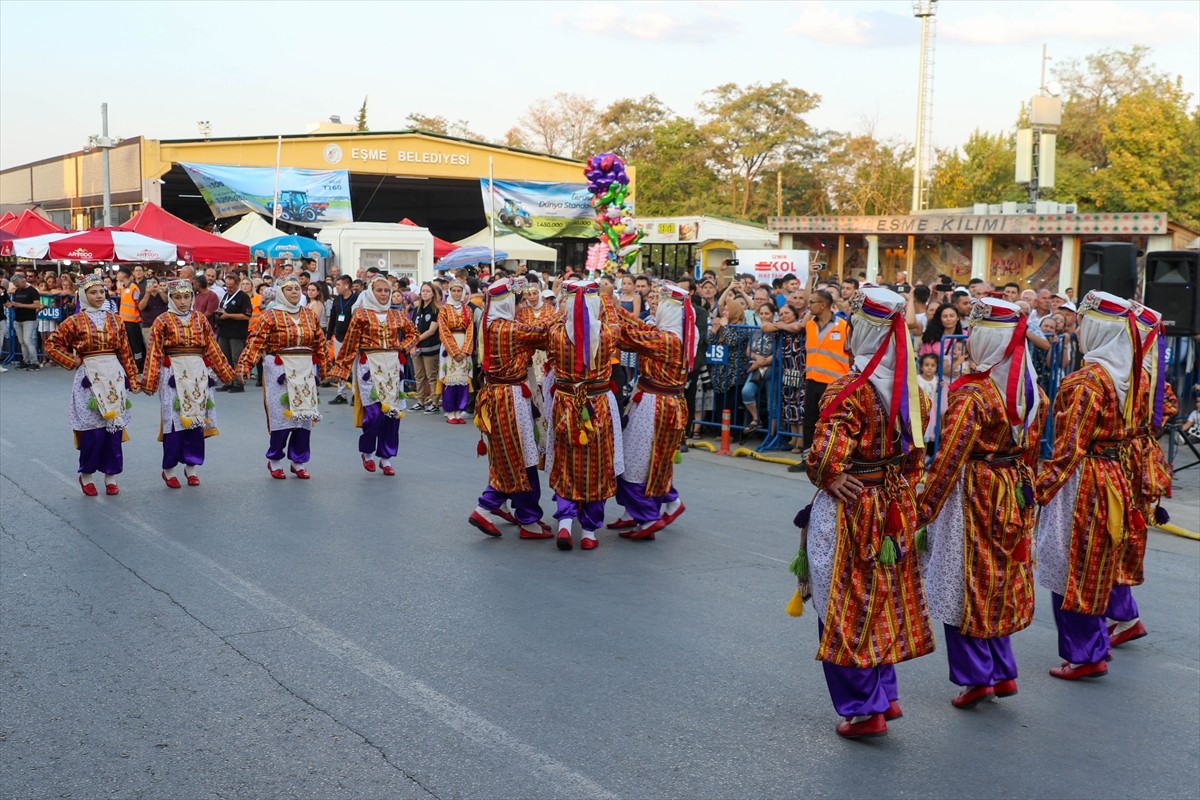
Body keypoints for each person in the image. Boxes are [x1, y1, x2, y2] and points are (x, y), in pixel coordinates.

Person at [802, 286, 933, 739]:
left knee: (842, 601)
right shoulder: (914, 391)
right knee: (880, 598)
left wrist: (826, 474)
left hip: (854, 505)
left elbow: (825, 457)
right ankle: (885, 694)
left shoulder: (849, 391)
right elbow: (917, 458)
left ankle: (864, 708)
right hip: (894, 503)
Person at [918, 298, 1047, 709]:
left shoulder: (973, 394)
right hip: (1013, 487)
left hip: (974, 490)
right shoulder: (1032, 391)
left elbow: (948, 458)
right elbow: (1032, 450)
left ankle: (978, 677)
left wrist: (923, 509)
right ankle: (1002, 671)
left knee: (965, 581)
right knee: (997, 580)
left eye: (974, 332)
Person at [1036, 291, 1139, 680]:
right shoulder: (1125, 375)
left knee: (1070, 566)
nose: (1077, 331)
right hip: (1111, 473)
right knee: (1094, 564)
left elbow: (1068, 449)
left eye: (1081, 324)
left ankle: (1085, 654)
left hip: (1083, 480)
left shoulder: (1086, 381)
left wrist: (1039, 490)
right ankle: (1094, 645)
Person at [1106, 303, 1178, 647]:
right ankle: (1122, 614)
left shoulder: (1131, 373)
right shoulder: (1146, 373)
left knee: (1116, 533)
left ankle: (1125, 615)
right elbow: (1169, 406)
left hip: (1125, 457)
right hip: (1140, 453)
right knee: (1123, 531)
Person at [468, 277, 555, 539]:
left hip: (500, 394)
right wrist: (567, 311)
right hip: (510, 397)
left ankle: (519, 511)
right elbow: (543, 333)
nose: (521, 308)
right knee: (521, 457)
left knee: (510, 456)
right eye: (518, 303)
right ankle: (492, 508)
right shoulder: (508, 329)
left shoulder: (493, 324)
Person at [607, 281, 695, 540]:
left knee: (635, 461)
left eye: (662, 305)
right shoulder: (672, 334)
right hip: (656, 401)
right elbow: (640, 327)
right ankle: (642, 510)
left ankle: (648, 516)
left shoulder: (667, 339)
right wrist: (615, 308)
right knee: (647, 460)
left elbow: (627, 337)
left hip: (655, 404)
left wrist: (605, 313)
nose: (656, 307)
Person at [45, 274, 141, 496]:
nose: (99, 296)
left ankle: (111, 475)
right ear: (83, 295)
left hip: (113, 377)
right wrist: (73, 360)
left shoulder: (116, 320)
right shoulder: (74, 321)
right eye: (93, 292)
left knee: (113, 427)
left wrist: (133, 379)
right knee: (92, 431)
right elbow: (52, 344)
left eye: (102, 292)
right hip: (88, 378)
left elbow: (125, 352)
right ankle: (86, 474)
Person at [545, 280, 623, 551]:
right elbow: (614, 321)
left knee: (565, 462)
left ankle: (566, 523)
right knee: (598, 466)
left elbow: (554, 321)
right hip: (597, 403)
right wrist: (604, 299)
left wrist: (566, 304)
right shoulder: (608, 333)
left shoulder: (556, 333)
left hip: (566, 402)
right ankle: (589, 531)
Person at [141, 279, 236, 487]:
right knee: (174, 422)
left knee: (196, 421)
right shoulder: (162, 321)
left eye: (186, 297)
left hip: (197, 373)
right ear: (171, 298)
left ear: (192, 297)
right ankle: (169, 469)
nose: (183, 301)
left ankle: (191, 466)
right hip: (172, 374)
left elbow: (212, 347)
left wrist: (227, 374)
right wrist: (149, 381)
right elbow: (154, 352)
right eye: (177, 297)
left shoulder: (200, 319)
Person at [235, 275, 330, 480]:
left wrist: (327, 368)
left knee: (303, 416)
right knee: (282, 416)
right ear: (280, 293)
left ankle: (298, 461)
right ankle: (275, 460)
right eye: (289, 289)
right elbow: (256, 342)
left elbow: (320, 343)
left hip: (305, 369)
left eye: (297, 288)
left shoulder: (309, 315)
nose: (294, 292)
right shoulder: (270, 316)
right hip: (279, 369)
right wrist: (244, 366)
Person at [328, 274, 419, 476]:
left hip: (393, 367)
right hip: (369, 365)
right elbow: (350, 343)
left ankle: (386, 458)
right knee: (374, 413)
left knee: (392, 414)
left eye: (386, 290)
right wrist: (341, 368)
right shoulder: (361, 315)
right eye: (379, 290)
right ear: (371, 292)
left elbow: (414, 334)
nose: (383, 294)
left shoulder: (397, 315)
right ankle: (367, 451)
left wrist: (402, 347)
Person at [801, 290, 850, 451]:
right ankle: (808, 457)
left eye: (812, 302)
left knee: (831, 423)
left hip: (833, 384)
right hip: (812, 380)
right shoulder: (810, 325)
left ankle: (829, 456)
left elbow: (852, 355)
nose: (809, 306)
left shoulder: (843, 326)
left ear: (823, 305)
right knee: (809, 421)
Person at [437, 280, 475, 424]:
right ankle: (450, 411)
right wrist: (454, 351)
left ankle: (459, 411)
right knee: (450, 379)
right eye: (454, 291)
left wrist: (465, 351)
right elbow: (443, 331)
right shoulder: (444, 310)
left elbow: (470, 330)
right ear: (449, 292)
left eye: (459, 291)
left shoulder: (468, 310)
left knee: (463, 380)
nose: (456, 293)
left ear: (463, 292)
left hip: (464, 342)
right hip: (449, 346)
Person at [215, 274, 253, 393]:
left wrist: (228, 315)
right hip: (224, 331)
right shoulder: (226, 295)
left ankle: (238, 383)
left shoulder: (243, 297)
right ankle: (228, 381)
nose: (229, 288)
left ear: (237, 284)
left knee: (237, 358)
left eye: (231, 287)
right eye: (227, 286)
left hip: (237, 332)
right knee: (225, 358)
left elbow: (247, 316)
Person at [410, 282, 442, 412]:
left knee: (431, 376)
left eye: (428, 291)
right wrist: (412, 344)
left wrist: (416, 340)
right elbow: (412, 327)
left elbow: (431, 331)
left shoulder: (436, 310)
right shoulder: (417, 309)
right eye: (423, 291)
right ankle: (420, 401)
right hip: (417, 348)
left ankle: (434, 402)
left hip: (430, 347)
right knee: (419, 376)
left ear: (433, 293)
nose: (425, 293)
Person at [326, 275, 358, 405]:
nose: (336, 287)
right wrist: (329, 336)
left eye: (338, 285)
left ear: (346, 285)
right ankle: (341, 394)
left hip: (353, 339)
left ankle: (356, 394)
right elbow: (333, 318)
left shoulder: (356, 299)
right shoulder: (337, 300)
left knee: (355, 367)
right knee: (340, 366)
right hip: (339, 337)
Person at [116, 266, 145, 372]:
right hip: (124, 321)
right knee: (128, 345)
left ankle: (139, 366)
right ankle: (131, 365)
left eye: (118, 273)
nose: (117, 275)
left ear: (124, 275)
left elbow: (139, 304)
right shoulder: (123, 288)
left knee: (136, 345)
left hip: (133, 323)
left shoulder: (133, 288)